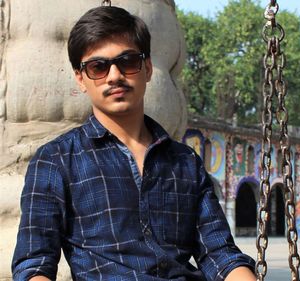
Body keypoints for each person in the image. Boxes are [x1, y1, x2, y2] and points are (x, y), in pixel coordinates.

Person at [11, 6, 256, 281]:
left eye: (127, 61)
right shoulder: (56, 160)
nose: (114, 76)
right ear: (81, 78)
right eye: (98, 67)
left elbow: (220, 254)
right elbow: (34, 265)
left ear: (148, 68)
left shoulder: (185, 161)